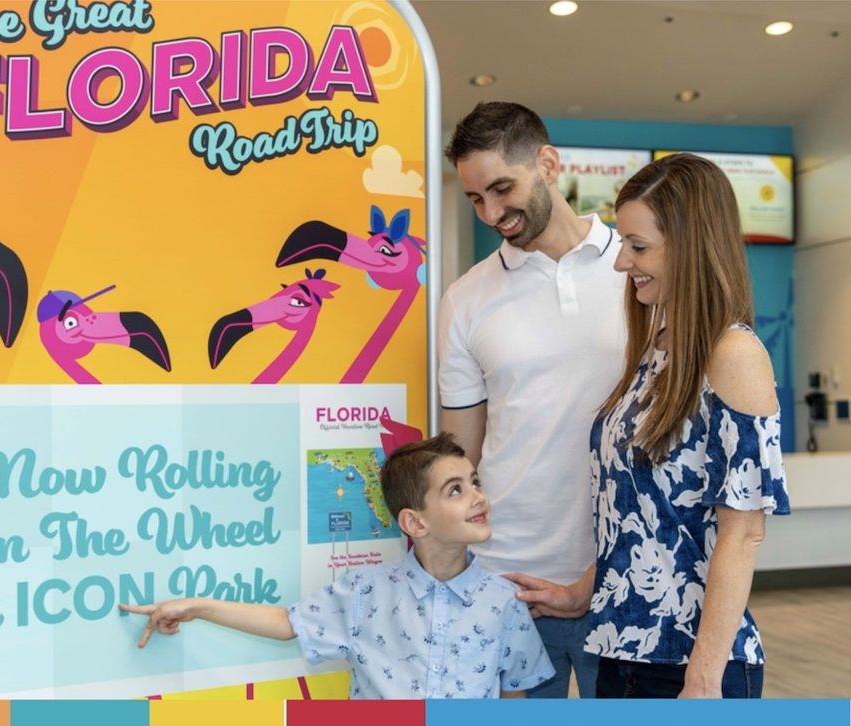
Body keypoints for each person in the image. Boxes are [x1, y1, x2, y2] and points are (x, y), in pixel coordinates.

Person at [576, 152, 789, 697]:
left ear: (692, 247)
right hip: (618, 650)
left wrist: (701, 678)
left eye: (638, 246)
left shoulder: (734, 355)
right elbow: (636, 512)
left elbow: (743, 532)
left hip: (690, 666)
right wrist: (584, 590)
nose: (622, 262)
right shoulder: (658, 349)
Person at [120, 433, 555, 699]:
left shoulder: (504, 603)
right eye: (455, 490)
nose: (478, 496)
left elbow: (511, 693)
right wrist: (198, 607)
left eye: (475, 482)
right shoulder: (366, 592)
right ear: (414, 522)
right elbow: (286, 622)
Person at [439, 101, 626, 697]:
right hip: (507, 577)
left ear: (547, 163)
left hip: (626, 572)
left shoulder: (640, 273)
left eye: (502, 188)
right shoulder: (466, 298)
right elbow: (459, 454)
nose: (493, 213)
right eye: (475, 199)